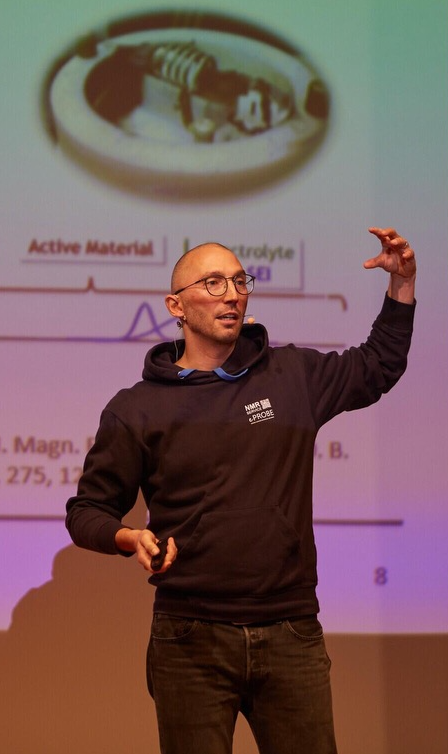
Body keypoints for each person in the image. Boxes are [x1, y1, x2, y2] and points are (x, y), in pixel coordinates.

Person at [66, 227, 416, 754]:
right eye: (213, 283)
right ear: (176, 306)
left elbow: (377, 366)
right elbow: (87, 510)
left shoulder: (291, 375)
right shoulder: (136, 408)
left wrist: (402, 284)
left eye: (239, 281)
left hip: (291, 629)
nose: (231, 294)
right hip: (189, 637)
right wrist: (127, 537)